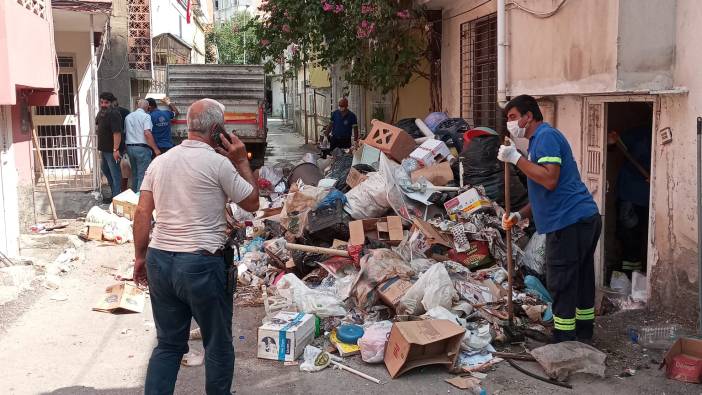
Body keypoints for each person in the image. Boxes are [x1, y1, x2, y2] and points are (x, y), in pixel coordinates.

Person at [133, 98, 259, 395]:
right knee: (216, 342)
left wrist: (140, 257)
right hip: (201, 264)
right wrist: (241, 160)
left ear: (188, 126)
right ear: (217, 130)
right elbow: (252, 203)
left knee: (168, 345)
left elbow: (141, 213)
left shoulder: (159, 162)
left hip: (160, 260)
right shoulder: (218, 164)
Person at [497, 94, 601, 343]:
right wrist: (519, 214)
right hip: (582, 218)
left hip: (569, 221)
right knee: (582, 278)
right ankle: (583, 333)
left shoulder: (545, 137)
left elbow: (550, 179)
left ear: (528, 116)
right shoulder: (536, 143)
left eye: (512, 117)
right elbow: (543, 190)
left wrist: (516, 159)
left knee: (562, 279)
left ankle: (564, 338)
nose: (509, 124)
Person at [608, 126, 652, 274]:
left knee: (634, 235)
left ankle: (632, 274)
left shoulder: (648, 136)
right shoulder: (637, 134)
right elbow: (613, 144)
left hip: (640, 197)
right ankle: (629, 274)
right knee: (628, 233)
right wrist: (612, 140)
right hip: (629, 193)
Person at [125, 99, 158, 192]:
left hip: (130, 148)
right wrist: (155, 149)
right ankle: (139, 199)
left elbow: (126, 132)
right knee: (142, 176)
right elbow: (147, 133)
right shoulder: (146, 116)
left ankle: (133, 197)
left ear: (137, 106)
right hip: (142, 148)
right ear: (147, 107)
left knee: (134, 175)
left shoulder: (128, 116)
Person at [95, 92, 122, 203]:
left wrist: (116, 150)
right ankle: (114, 195)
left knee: (115, 174)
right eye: (101, 102)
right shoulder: (102, 113)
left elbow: (117, 133)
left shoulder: (114, 114)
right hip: (104, 150)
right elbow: (98, 125)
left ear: (112, 103)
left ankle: (116, 199)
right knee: (106, 170)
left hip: (112, 151)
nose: (103, 104)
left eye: (106, 102)